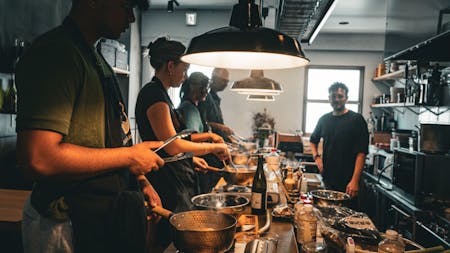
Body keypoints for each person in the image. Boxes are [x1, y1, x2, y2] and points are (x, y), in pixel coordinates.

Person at [15, 0, 165, 252]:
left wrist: (139, 179)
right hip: (64, 223)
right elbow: (38, 158)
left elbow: (108, 137)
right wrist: (129, 157)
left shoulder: (93, 57)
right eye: (126, 7)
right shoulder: (56, 54)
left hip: (98, 217)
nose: (130, 19)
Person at [135, 37, 230, 252]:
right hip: (166, 180)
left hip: (175, 177)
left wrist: (207, 140)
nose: (185, 76)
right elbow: (172, 146)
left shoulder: (161, 94)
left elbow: (176, 139)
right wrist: (212, 147)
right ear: (170, 66)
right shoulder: (153, 95)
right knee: (169, 241)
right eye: (184, 69)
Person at [310, 82, 369, 202]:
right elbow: (313, 140)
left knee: (348, 216)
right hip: (328, 178)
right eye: (333, 96)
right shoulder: (324, 119)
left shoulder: (356, 120)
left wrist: (354, 181)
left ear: (346, 98)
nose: (336, 99)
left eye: (340, 96)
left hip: (349, 181)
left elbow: (361, 153)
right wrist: (317, 158)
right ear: (329, 99)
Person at [198, 68, 234, 140]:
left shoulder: (215, 98)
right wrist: (220, 126)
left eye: (227, 81)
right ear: (214, 78)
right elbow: (202, 124)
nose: (226, 84)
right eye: (223, 81)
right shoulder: (205, 97)